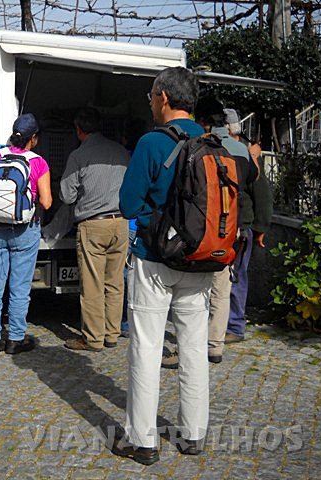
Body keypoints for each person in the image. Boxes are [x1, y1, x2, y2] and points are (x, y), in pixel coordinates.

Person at [115, 67, 211, 465]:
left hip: (155, 259)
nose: (152, 103)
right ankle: (193, 433)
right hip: (200, 260)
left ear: (164, 98)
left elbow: (127, 203)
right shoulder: (210, 141)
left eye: (152, 96)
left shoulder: (152, 142)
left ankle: (142, 440)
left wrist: (152, 221)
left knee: (147, 348)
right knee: (194, 348)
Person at [160, 98, 263, 370]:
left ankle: (185, 349)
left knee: (193, 292)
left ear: (202, 120)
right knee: (221, 288)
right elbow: (253, 178)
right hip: (232, 228)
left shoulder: (198, 144)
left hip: (201, 227)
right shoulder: (239, 149)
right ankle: (215, 345)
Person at [0, 113, 52, 356]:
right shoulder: (38, 162)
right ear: (34, 138)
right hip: (24, 231)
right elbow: (47, 202)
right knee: (19, 287)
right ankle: (15, 339)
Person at [60, 107, 129, 351]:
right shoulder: (121, 152)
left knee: (92, 284)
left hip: (93, 224)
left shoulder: (78, 156)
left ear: (79, 130)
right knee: (115, 282)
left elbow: (67, 196)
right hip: (121, 222)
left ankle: (93, 338)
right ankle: (112, 334)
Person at [221, 108, 272, 344]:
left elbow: (262, 195)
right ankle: (224, 323)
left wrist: (261, 228)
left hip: (241, 224)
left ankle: (234, 325)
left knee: (237, 276)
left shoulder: (247, 155)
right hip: (229, 223)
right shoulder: (242, 152)